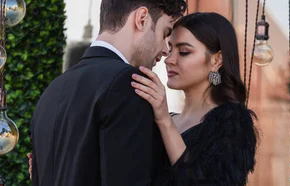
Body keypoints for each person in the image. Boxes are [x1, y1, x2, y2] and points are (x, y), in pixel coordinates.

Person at [29, 0, 187, 185]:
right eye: (164, 33)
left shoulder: (53, 90)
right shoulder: (129, 84)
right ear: (142, 19)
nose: (166, 50)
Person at [131, 12, 259, 185]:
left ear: (217, 60)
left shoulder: (233, 122)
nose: (169, 60)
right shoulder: (161, 119)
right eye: (170, 49)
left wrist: (164, 121)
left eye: (184, 52)